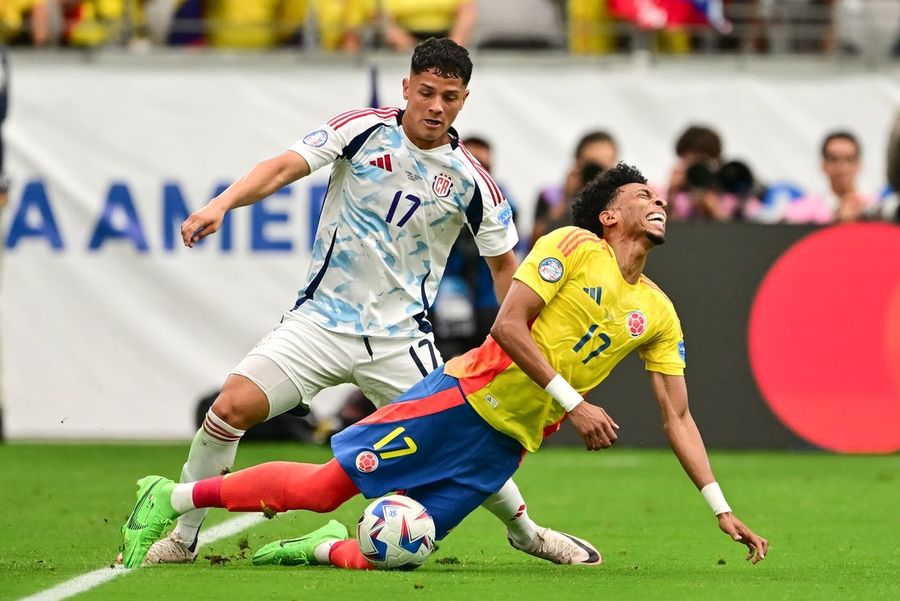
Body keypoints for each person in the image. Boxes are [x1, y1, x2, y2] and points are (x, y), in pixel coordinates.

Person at [120, 163, 769, 571]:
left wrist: (720, 506)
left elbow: (678, 414)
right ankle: (171, 496)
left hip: (509, 442)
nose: (657, 201)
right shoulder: (572, 246)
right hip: (461, 398)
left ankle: (316, 546)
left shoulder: (658, 311)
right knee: (325, 488)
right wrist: (573, 401)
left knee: (403, 552)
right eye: (641, 194)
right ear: (609, 215)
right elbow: (509, 327)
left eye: (659, 196)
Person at [144, 37, 595, 567]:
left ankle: (527, 532)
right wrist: (222, 205)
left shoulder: (474, 183)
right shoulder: (361, 129)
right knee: (228, 409)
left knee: (465, 442)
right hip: (319, 324)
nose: (435, 106)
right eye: (425, 92)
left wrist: (521, 340)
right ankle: (182, 539)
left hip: (401, 340)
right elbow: (285, 166)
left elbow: (504, 270)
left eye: (449, 96)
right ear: (407, 88)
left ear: (464, 100)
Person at [530, 130, 618, 247]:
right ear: (578, 164)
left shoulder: (623, 200)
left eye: (603, 167)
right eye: (592, 166)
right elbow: (535, 244)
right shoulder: (550, 196)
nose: (598, 175)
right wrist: (566, 198)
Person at [783, 130, 876, 224]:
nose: (841, 167)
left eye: (849, 159)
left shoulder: (873, 205)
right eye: (833, 159)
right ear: (823, 165)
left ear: (859, 165)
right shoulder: (804, 209)